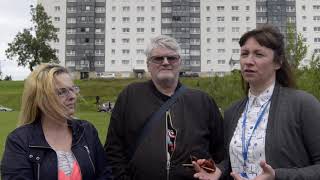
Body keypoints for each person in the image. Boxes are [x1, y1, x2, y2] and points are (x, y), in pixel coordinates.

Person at [193, 25, 320, 180]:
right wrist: (218, 170)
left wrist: (277, 176)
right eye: (244, 54)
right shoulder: (233, 111)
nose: (248, 61)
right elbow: (234, 160)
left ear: (278, 62)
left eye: (258, 54)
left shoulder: (303, 105)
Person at [104, 35, 224, 180]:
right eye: (158, 59)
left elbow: (221, 152)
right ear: (148, 64)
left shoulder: (202, 101)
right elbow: (113, 149)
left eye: (171, 58)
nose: (166, 63)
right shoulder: (130, 95)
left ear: (180, 62)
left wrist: (215, 171)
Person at [1, 64, 112, 180]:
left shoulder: (86, 131)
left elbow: (105, 174)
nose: (73, 96)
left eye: (73, 89)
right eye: (62, 92)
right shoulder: (19, 141)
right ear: (41, 99)